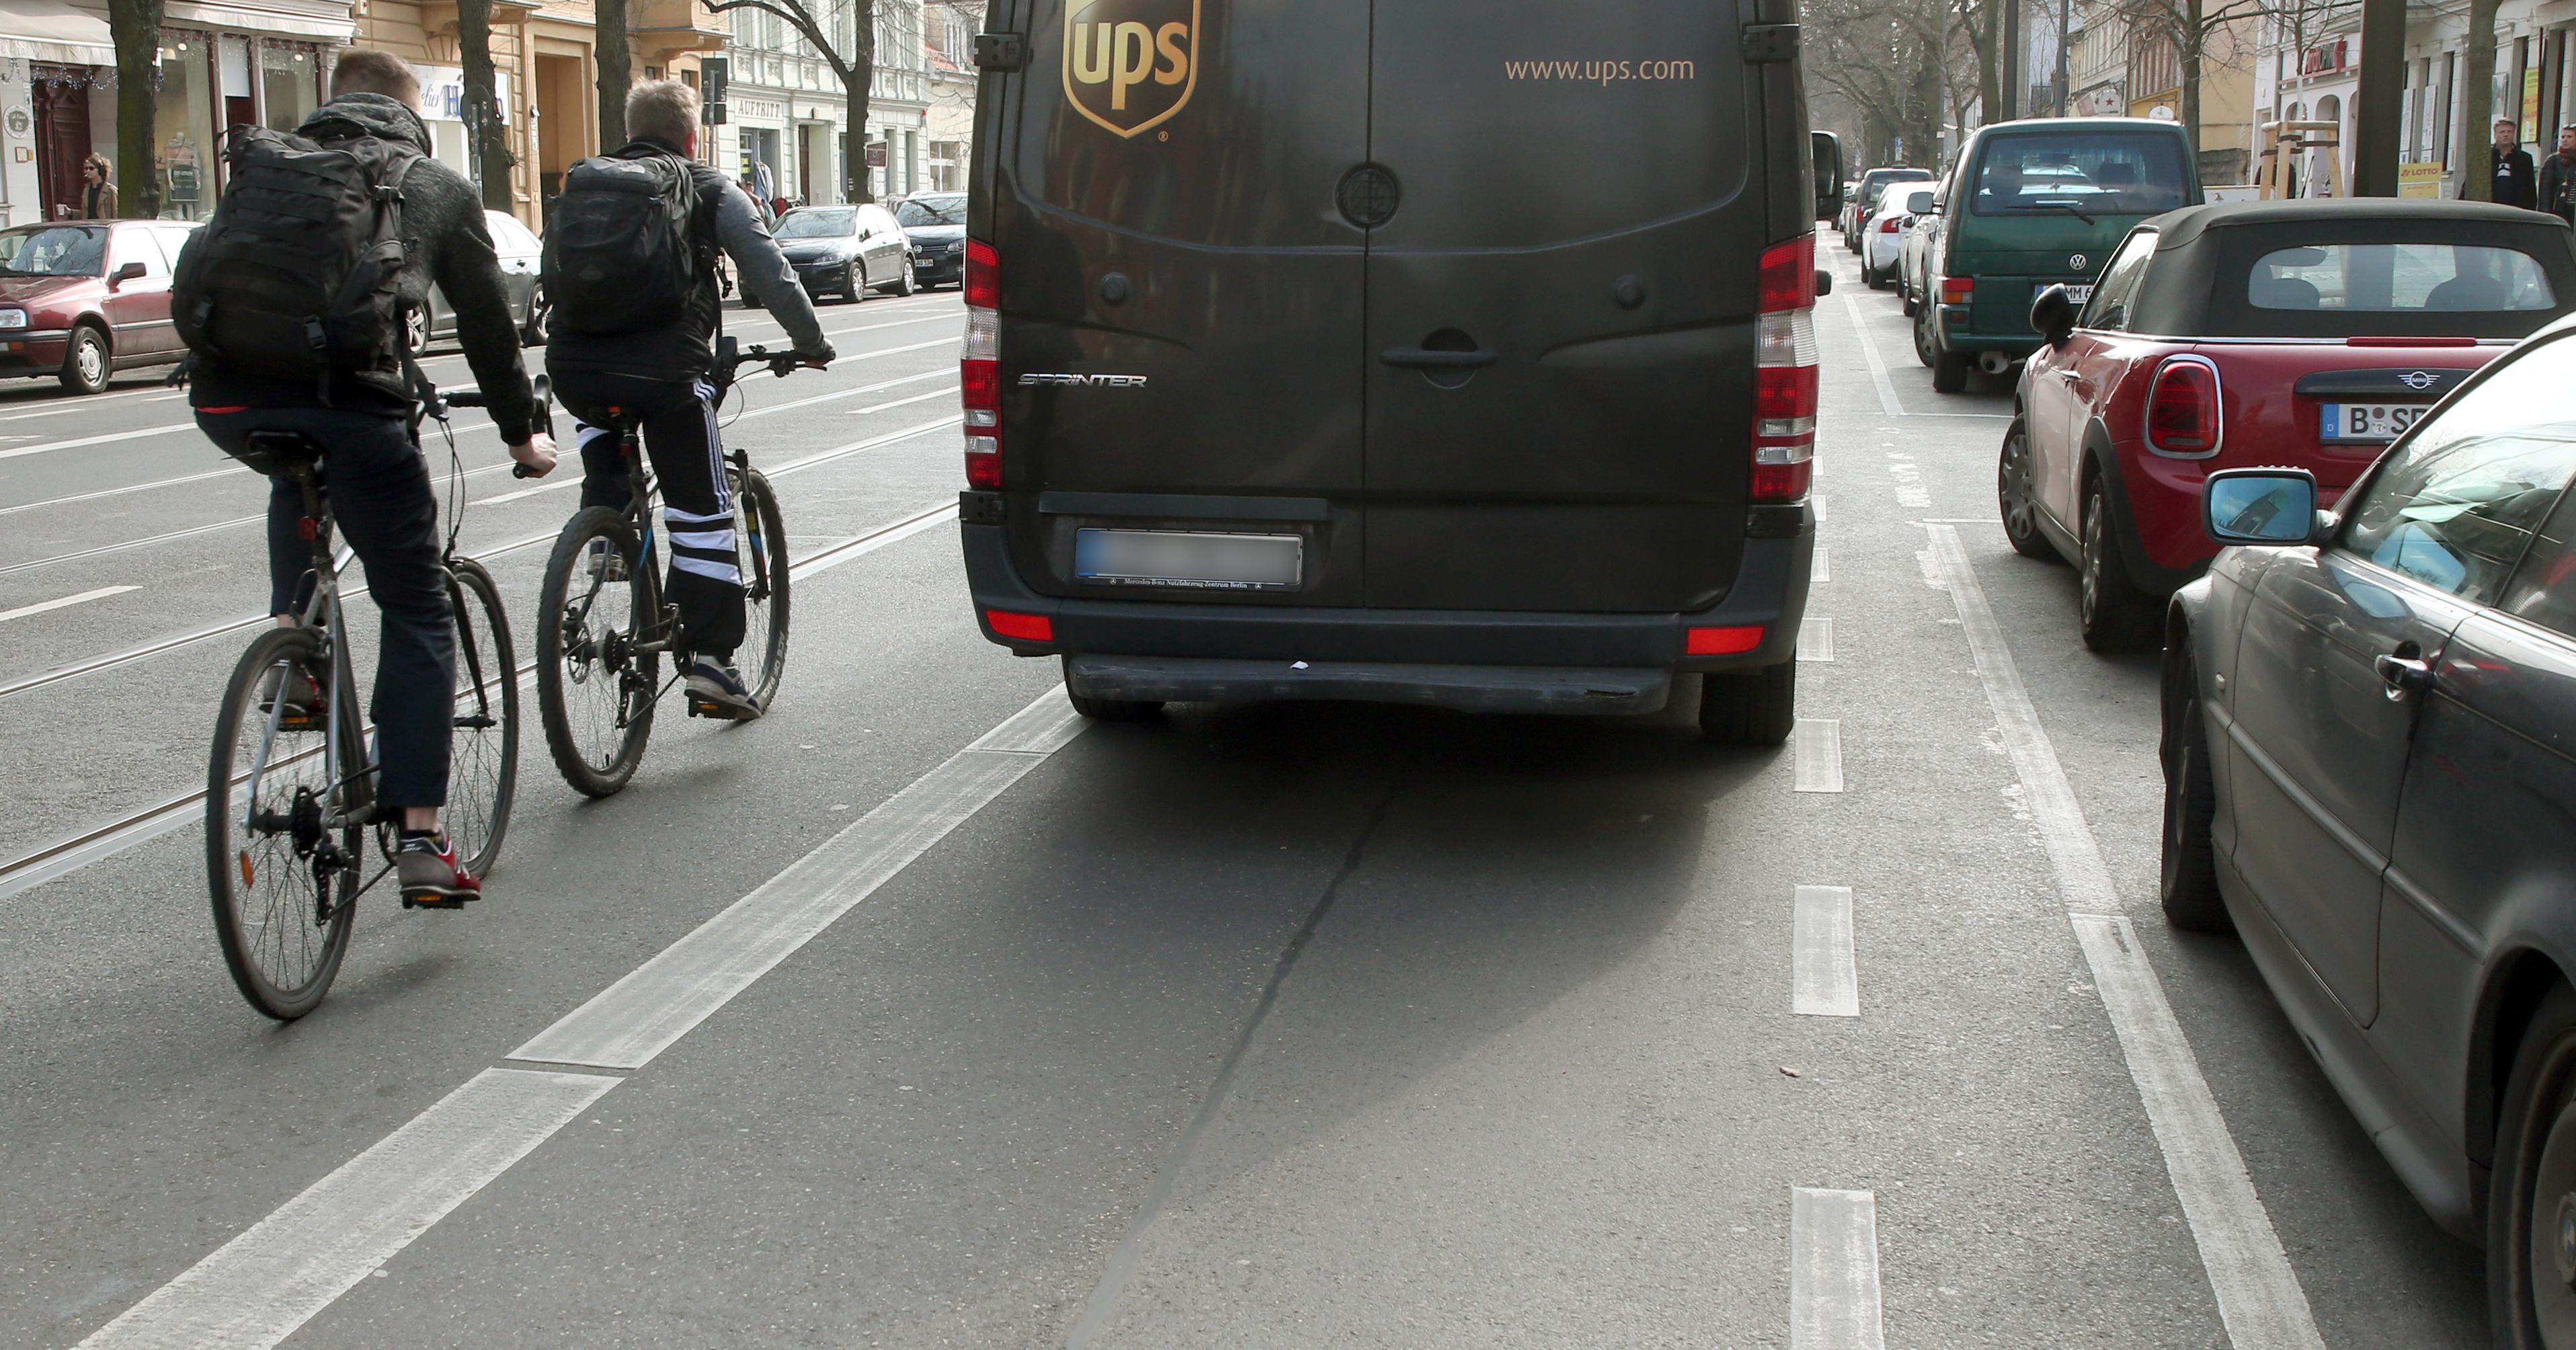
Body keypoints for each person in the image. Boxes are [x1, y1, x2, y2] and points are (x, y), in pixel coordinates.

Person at [182, 50, 559, 906]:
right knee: (418, 602)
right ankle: (421, 834)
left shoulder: (271, 166)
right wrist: (523, 434)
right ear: (408, 111)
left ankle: (296, 648)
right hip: (351, 404)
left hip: (228, 403)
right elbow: (493, 331)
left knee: (295, 473)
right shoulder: (433, 184)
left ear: (333, 101)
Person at [548, 79, 834, 717]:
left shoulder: (586, 185)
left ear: (629, 126)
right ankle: (711, 663)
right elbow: (770, 271)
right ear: (691, 134)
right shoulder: (709, 187)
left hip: (576, 371)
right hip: (666, 375)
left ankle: (606, 540)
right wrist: (812, 341)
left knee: (606, 443)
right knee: (700, 508)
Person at [2492, 119, 2538, 210]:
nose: (2506, 135)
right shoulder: (2488, 157)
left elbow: (2530, 188)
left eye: (2509, 132)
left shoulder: (2524, 158)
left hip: (2516, 209)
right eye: (2502, 132)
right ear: (2495, 135)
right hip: (2491, 208)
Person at [2539, 126, 2576, 224]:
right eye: (2563, 137)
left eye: (2569, 137)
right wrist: (2545, 215)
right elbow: (2545, 190)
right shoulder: (2554, 160)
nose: (2565, 140)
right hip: (2561, 210)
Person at [79, 155, 117, 219]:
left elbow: (115, 213)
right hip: (90, 227)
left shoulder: (110, 190)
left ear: (100, 170)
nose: (88, 171)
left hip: (104, 227)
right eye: (86, 168)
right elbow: (85, 213)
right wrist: (70, 212)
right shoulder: (86, 190)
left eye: (91, 168)